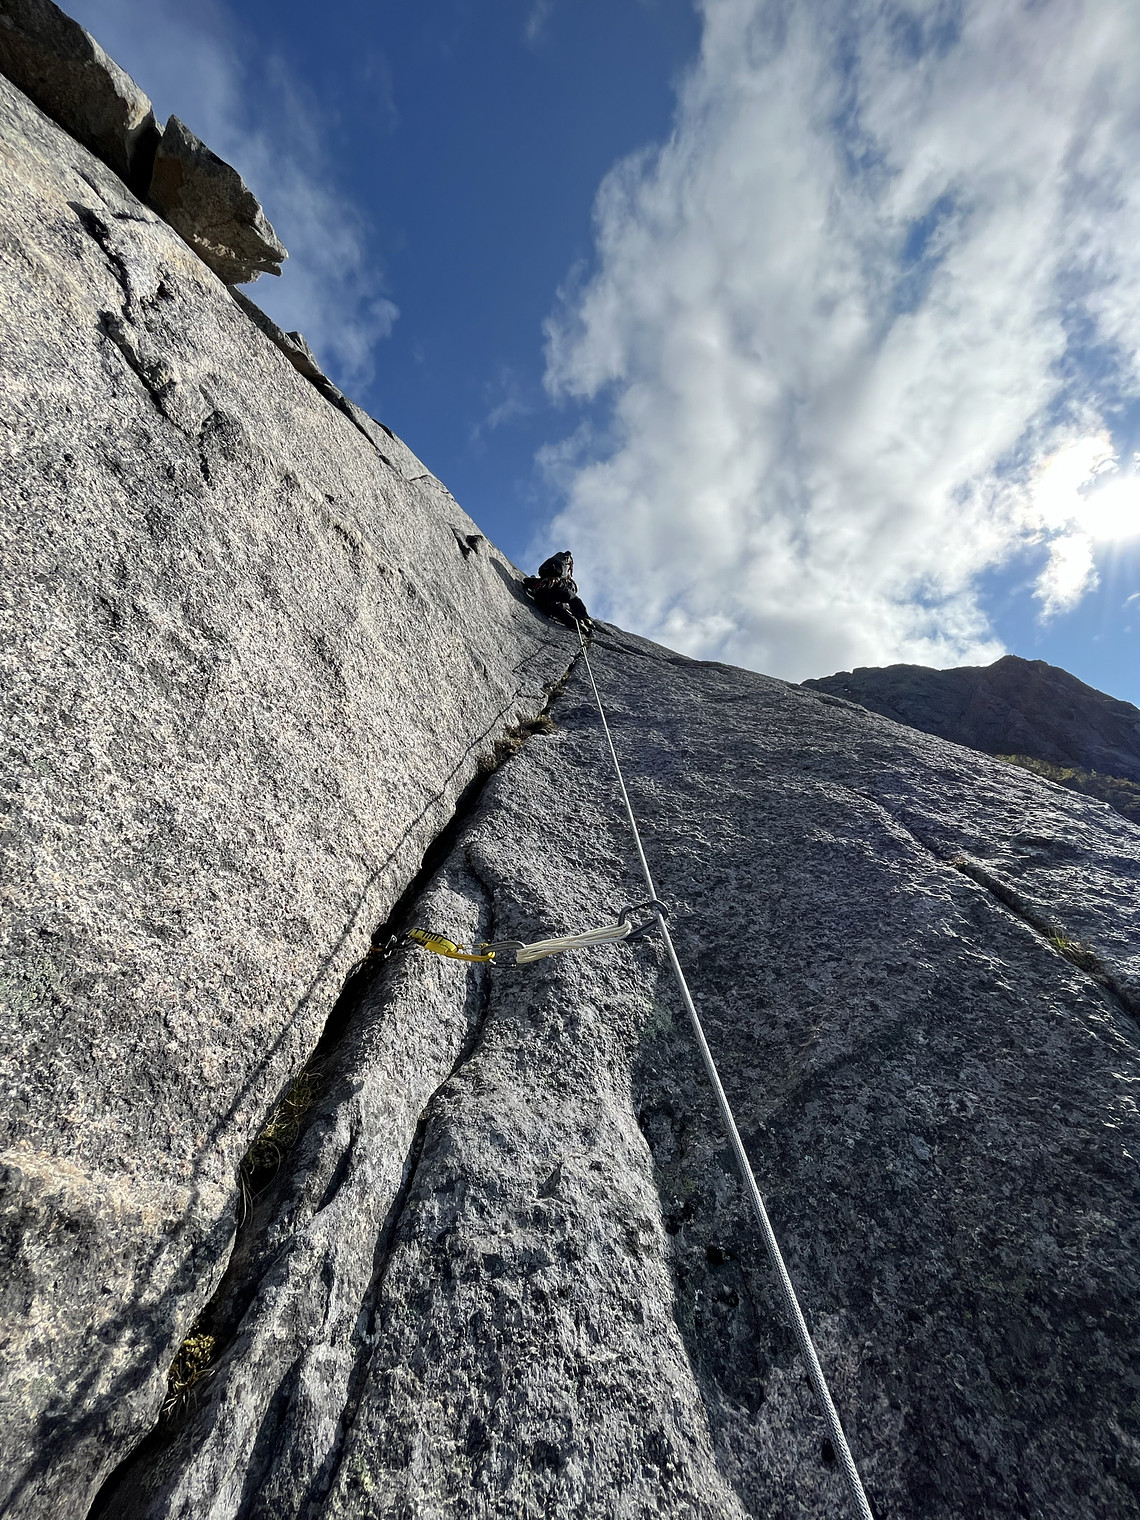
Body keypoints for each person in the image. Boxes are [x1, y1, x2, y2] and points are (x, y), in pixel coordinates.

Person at [524, 551, 593, 631]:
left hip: (540, 597)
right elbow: (571, 597)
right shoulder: (564, 584)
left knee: (556, 611)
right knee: (572, 599)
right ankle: (584, 618)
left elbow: (526, 581)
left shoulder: (542, 580)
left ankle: (576, 624)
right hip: (553, 590)